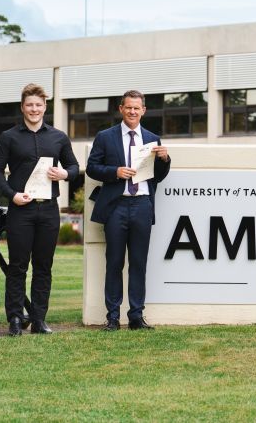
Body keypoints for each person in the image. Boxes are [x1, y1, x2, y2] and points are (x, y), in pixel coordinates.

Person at [0, 83, 78, 336]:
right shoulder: (8, 137)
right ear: (22, 107)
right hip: (21, 210)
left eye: (38, 105)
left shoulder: (59, 137)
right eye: (29, 105)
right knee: (18, 266)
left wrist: (64, 173)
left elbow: (73, 167)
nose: (34, 109)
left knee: (43, 266)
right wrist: (12, 195)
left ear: (45, 106)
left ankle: (39, 320)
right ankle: (15, 319)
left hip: (48, 210)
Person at [86, 90, 171, 331]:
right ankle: (113, 317)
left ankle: (136, 317)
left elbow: (158, 177)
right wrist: (115, 172)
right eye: (129, 107)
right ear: (121, 109)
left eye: (137, 108)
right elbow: (92, 167)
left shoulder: (153, 138)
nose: (132, 111)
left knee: (138, 263)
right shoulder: (105, 137)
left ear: (143, 110)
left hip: (142, 205)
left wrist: (165, 160)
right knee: (114, 263)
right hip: (116, 206)